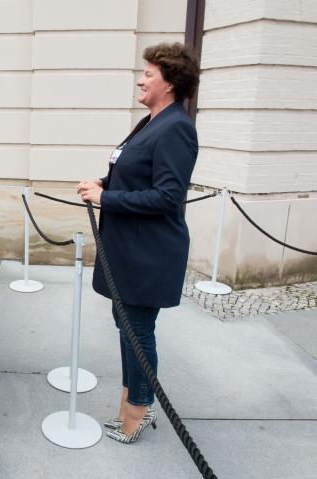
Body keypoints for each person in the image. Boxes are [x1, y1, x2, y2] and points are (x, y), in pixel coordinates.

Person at [77, 42, 200, 444]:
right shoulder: (152, 121)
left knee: (137, 330)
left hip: (149, 253)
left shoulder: (177, 128)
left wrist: (105, 198)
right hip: (130, 250)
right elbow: (136, 174)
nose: (141, 79)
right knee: (126, 324)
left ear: (169, 82)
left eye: (148, 73)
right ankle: (135, 399)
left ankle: (138, 409)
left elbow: (167, 196)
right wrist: (104, 182)